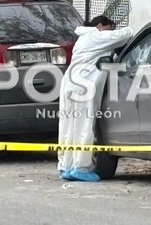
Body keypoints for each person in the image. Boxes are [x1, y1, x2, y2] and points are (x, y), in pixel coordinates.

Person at [58, 15, 134, 182]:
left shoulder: (83, 39)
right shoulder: (96, 36)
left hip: (69, 84)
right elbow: (126, 34)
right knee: (84, 126)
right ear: (101, 25)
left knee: (68, 127)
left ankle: (66, 166)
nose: (111, 32)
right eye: (110, 28)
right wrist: (132, 28)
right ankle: (81, 168)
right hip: (84, 86)